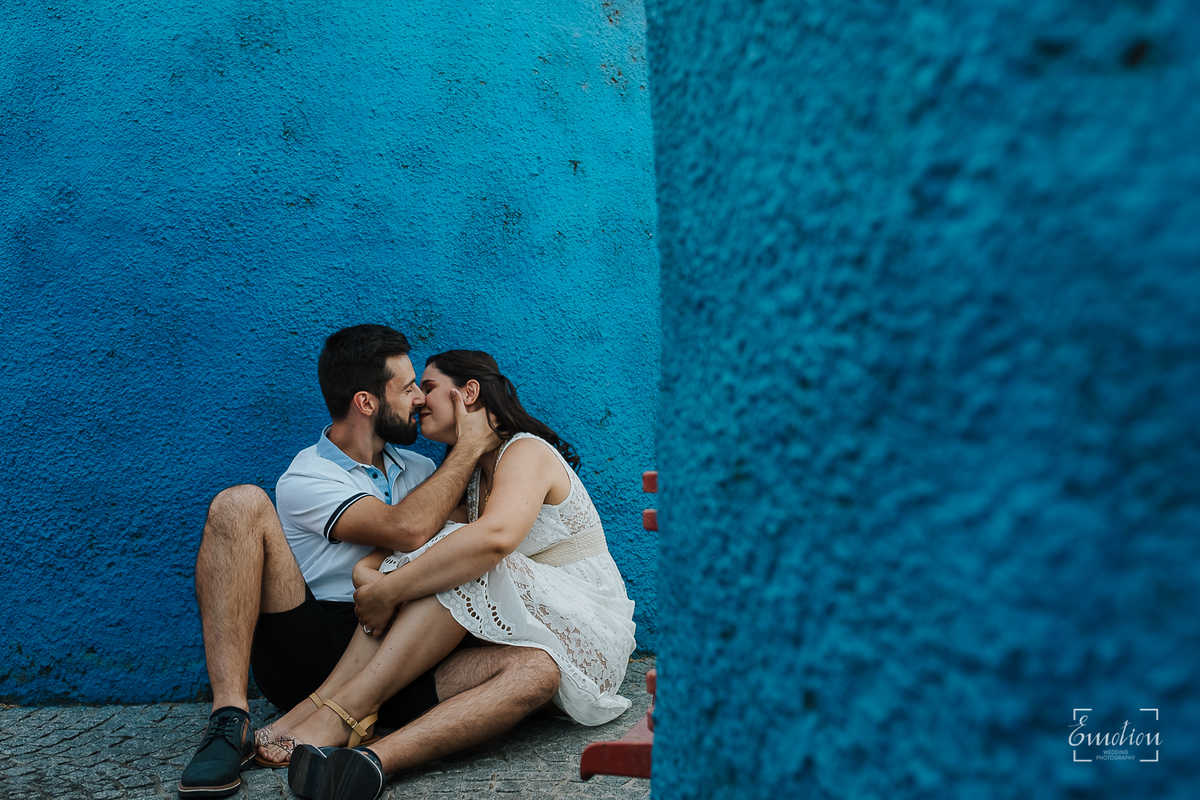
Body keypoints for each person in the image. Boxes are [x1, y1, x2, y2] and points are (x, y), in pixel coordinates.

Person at [178, 326, 560, 799]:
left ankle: (369, 757)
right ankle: (229, 721)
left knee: (539, 671)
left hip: (403, 653)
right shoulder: (307, 477)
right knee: (238, 503)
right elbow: (407, 530)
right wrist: (466, 449)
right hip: (317, 644)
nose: (419, 398)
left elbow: (459, 537)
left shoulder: (423, 473)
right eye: (407, 389)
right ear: (366, 403)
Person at [252, 350, 637, 800]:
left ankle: (344, 712)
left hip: (588, 622)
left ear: (468, 392)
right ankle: (349, 741)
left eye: (428, 387)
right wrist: (365, 571)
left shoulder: (525, 451)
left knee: (470, 555)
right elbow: (413, 543)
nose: (418, 400)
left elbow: (494, 538)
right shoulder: (472, 478)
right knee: (451, 552)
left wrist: (389, 589)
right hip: (538, 628)